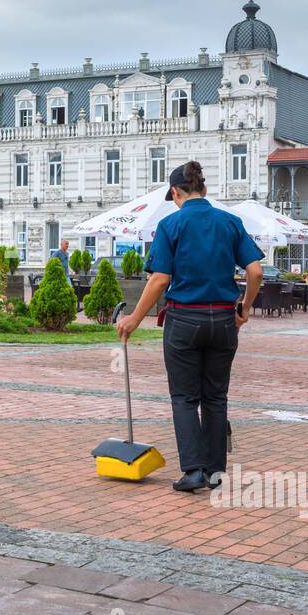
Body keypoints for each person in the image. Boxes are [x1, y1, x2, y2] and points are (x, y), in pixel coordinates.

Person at [117, 161, 264, 494]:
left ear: (175, 192)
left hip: (184, 320)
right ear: (205, 190)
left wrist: (134, 319)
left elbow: (159, 279)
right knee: (215, 396)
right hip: (224, 321)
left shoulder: (170, 225)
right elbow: (255, 272)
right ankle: (215, 473)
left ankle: (194, 471)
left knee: (184, 397)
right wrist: (244, 307)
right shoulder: (230, 222)